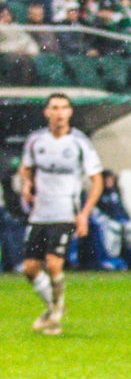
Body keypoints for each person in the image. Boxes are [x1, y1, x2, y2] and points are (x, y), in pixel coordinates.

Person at [18, 94, 103, 335]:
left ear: (70, 112)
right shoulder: (36, 141)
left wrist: (84, 213)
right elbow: (26, 168)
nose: (59, 112)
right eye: (54, 108)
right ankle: (52, 307)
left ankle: (55, 317)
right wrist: (26, 185)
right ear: (46, 112)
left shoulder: (79, 142)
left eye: (64, 108)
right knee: (30, 268)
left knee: (54, 264)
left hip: (66, 211)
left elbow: (95, 180)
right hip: (39, 213)